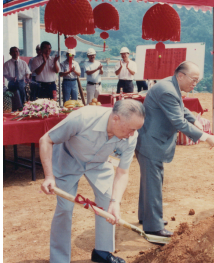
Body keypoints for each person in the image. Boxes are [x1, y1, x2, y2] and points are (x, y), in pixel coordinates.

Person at [39, 99, 145, 263]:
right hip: (68, 158)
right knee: (65, 208)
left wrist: (115, 202)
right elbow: (46, 139)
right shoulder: (83, 117)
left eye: (136, 130)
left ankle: (102, 252)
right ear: (115, 118)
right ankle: (59, 259)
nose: (133, 134)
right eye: (131, 129)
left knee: (107, 201)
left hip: (99, 163)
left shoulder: (131, 137)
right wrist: (49, 176)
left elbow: (122, 172)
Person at [135, 61, 214, 237]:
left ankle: (147, 216)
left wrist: (195, 121)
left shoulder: (170, 84)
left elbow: (180, 108)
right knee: (153, 182)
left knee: (150, 181)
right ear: (181, 76)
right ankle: (153, 227)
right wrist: (205, 137)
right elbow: (179, 121)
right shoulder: (167, 90)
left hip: (150, 140)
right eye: (194, 80)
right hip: (151, 142)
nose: (195, 84)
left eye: (197, 81)